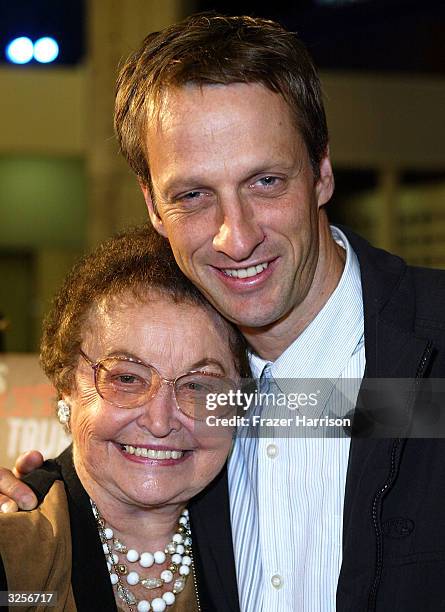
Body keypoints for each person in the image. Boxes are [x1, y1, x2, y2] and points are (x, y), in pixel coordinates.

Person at [1, 12, 445, 611]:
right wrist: (38, 497)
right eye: (192, 195)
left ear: (321, 171)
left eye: (265, 182)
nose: (236, 238)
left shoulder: (429, 350)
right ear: (153, 207)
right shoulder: (185, 406)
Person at [0, 224, 249, 612]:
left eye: (199, 386)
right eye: (127, 378)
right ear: (66, 382)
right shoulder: (17, 546)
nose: (160, 420)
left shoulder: (262, 533)